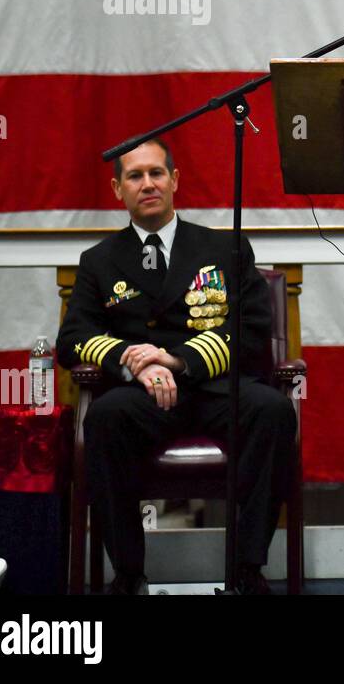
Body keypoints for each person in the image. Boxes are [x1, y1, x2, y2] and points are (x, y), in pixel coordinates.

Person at [57, 138, 296, 595]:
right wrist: (135, 362)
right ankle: (129, 574)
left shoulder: (225, 248)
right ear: (117, 190)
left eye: (156, 173)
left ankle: (246, 570)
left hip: (214, 386)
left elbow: (248, 335)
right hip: (142, 396)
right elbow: (72, 341)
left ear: (175, 181)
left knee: (273, 411)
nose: (147, 184)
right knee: (103, 419)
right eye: (135, 176)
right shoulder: (98, 261)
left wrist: (178, 359)